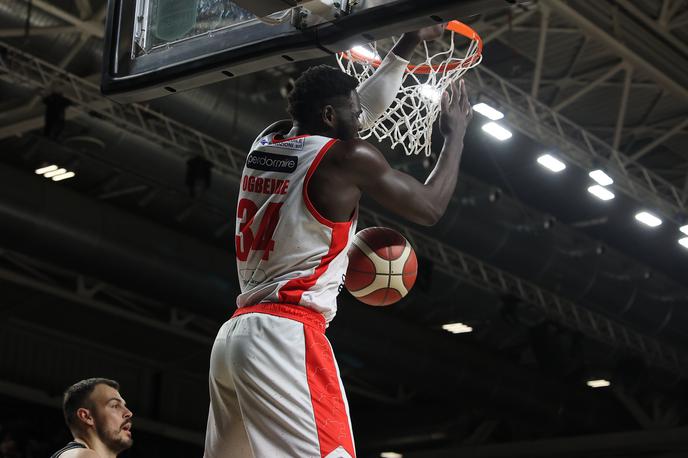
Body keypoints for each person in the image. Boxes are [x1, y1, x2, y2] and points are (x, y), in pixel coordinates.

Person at [204, 27, 472, 458]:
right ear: (329, 115)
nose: (360, 120)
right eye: (351, 111)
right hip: (286, 334)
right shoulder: (346, 160)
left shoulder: (267, 140)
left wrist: (407, 43)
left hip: (234, 338)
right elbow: (430, 208)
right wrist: (456, 136)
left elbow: (363, 106)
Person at [50, 378, 133, 458]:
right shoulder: (83, 455)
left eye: (124, 406)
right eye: (115, 406)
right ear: (86, 416)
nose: (129, 413)